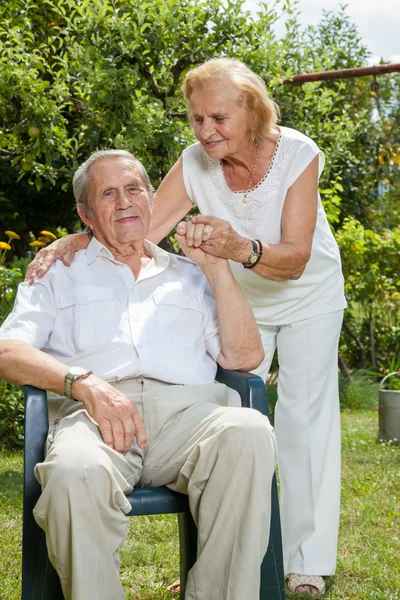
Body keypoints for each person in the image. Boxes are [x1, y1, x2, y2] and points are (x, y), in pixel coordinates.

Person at [25, 58, 347, 596]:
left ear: (251, 110)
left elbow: (293, 259)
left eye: (218, 117)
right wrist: (74, 241)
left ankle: (306, 560)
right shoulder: (196, 161)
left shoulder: (297, 153)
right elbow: (134, 223)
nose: (206, 131)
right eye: (197, 119)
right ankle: (218, 556)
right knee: (234, 415)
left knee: (303, 418)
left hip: (302, 287)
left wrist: (235, 248)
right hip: (233, 295)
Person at [0, 149, 278, 600]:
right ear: (85, 215)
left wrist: (217, 271)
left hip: (188, 415)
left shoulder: (190, 273)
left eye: (134, 189)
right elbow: (8, 351)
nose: (125, 202)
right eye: (108, 194)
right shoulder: (57, 272)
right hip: (96, 415)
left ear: (152, 199)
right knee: (73, 471)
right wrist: (83, 383)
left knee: (249, 431)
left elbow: (245, 358)